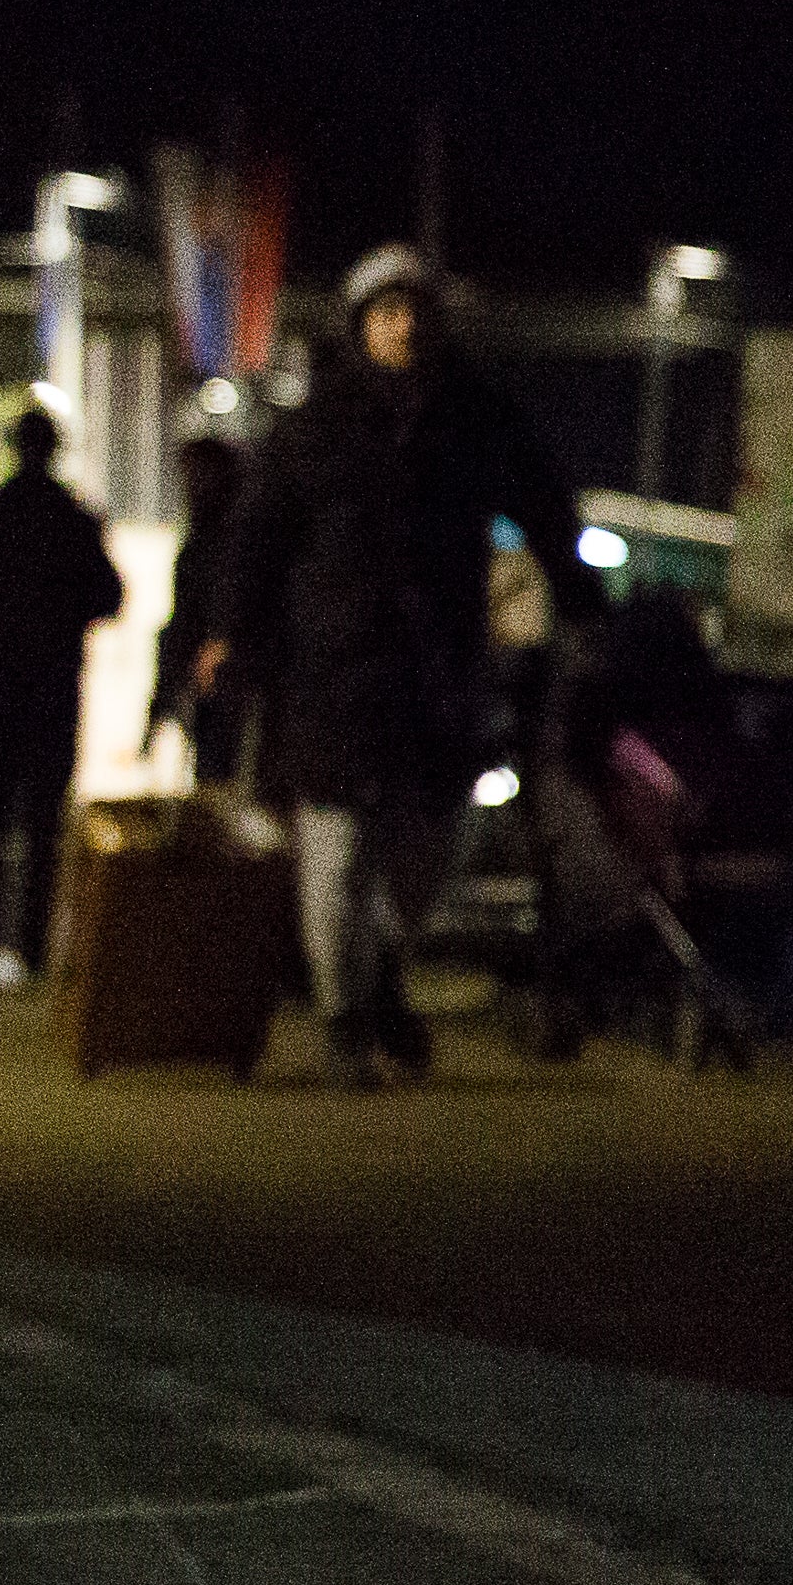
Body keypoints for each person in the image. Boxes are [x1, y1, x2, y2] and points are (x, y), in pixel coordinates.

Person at [204, 245, 603, 1086]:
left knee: (429, 845)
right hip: (334, 672)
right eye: (386, 313)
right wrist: (231, 638)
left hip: (439, 670)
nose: (405, 327)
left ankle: (381, 971)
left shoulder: (475, 423)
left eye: (416, 311)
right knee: (335, 848)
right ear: (358, 327)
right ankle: (345, 1020)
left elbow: (544, 505)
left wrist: (585, 598)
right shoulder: (311, 431)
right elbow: (256, 542)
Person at [0, 410, 122, 985]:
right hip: (53, 691)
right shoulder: (73, 520)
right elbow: (109, 597)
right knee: (43, 828)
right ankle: (33, 949)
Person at [154, 428, 254, 785]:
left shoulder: (222, 540)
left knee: (219, 784)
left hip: (225, 683)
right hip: (217, 683)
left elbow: (191, 617)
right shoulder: (217, 536)